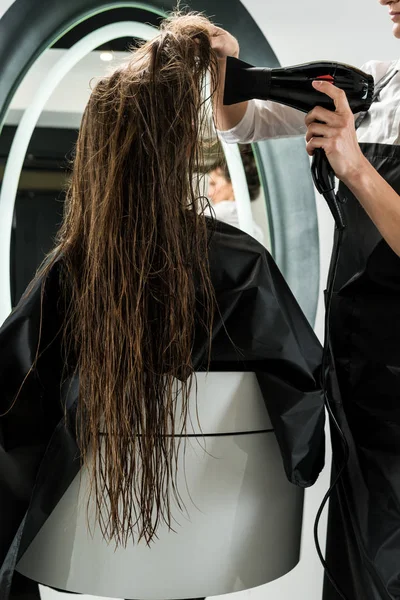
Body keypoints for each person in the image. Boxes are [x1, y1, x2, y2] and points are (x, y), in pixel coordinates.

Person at [0, 11, 325, 600]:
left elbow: (12, 403)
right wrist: (301, 461)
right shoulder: (236, 261)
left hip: (95, 537)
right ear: (181, 152)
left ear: (97, 156)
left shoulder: (71, 271)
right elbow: (300, 392)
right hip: (213, 530)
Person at [211, 1, 400, 599]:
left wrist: (356, 168)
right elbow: (242, 122)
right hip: (359, 376)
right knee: (360, 552)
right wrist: (229, 65)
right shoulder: (375, 87)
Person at [205, 144, 265, 244]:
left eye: (213, 184)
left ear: (234, 185)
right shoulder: (257, 232)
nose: (209, 194)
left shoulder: (215, 214)